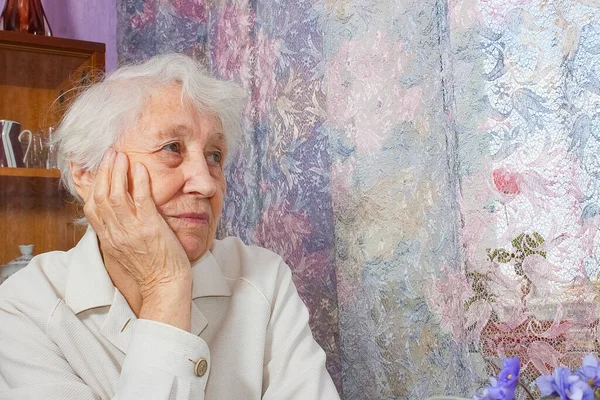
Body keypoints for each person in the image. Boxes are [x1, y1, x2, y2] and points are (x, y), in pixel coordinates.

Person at [0, 53, 340, 400]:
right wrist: (166, 287)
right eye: (172, 148)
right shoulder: (24, 308)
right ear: (88, 173)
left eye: (214, 156)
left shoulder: (264, 278)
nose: (206, 185)